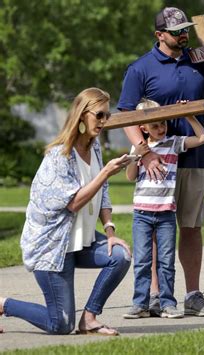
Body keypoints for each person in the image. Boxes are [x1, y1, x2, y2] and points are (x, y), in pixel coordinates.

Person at [0, 88, 132, 336]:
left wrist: (110, 230)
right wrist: (106, 172)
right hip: (52, 249)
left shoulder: (95, 149)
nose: (104, 122)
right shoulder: (59, 155)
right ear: (82, 115)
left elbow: (102, 192)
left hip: (81, 244)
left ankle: (90, 318)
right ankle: (4, 304)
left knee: (120, 255)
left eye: (107, 116)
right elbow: (73, 203)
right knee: (60, 324)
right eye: (99, 115)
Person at [117, 6, 204, 317]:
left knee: (190, 226)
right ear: (159, 35)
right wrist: (145, 153)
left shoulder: (200, 62)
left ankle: (192, 294)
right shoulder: (140, 69)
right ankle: (158, 295)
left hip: (194, 157)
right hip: (158, 163)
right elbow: (126, 115)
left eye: (185, 29)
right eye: (175, 31)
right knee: (158, 228)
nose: (182, 34)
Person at [123, 99, 204, 319]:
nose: (161, 129)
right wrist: (138, 154)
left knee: (166, 261)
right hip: (142, 214)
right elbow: (130, 176)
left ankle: (167, 304)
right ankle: (140, 304)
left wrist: (188, 115)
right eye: (155, 126)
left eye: (163, 124)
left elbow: (202, 138)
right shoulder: (138, 147)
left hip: (166, 213)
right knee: (142, 260)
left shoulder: (173, 143)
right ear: (143, 128)